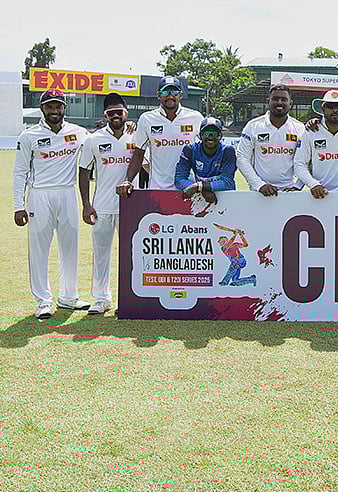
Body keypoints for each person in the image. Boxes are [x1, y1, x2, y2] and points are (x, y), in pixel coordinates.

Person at [13, 89, 91, 318]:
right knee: (39, 249)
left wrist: (130, 127)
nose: (54, 111)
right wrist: (19, 206)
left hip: (67, 194)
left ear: (64, 108)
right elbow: (20, 173)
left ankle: (68, 297)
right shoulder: (28, 136)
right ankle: (43, 301)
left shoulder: (78, 132)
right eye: (50, 106)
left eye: (58, 106)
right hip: (40, 195)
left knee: (70, 248)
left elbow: (100, 140)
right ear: (42, 109)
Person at [77, 93, 135, 315]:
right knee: (101, 254)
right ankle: (102, 299)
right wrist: (86, 204)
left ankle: (129, 299)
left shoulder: (136, 136)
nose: (115, 116)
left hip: (130, 206)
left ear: (126, 113)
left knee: (130, 254)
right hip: (101, 205)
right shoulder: (93, 139)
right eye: (111, 113)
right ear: (105, 115)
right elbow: (84, 171)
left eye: (119, 112)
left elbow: (146, 165)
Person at [118, 76, 203, 198]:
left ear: (181, 95)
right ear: (159, 95)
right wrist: (128, 180)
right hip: (158, 189)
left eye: (174, 92)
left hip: (188, 188)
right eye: (165, 92)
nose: (170, 96)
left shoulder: (195, 117)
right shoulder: (147, 119)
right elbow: (139, 153)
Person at [236, 83, 305, 196]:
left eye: (284, 99)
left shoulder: (299, 128)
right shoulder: (253, 126)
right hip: (259, 194)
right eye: (275, 99)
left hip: (289, 193)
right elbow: (242, 158)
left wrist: (297, 186)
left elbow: (307, 162)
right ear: (268, 101)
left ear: (290, 103)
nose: (279, 103)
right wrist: (259, 185)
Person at [175, 117, 237, 204]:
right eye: (206, 132)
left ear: (220, 136)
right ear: (200, 135)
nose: (210, 136)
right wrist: (202, 189)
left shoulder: (227, 151)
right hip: (201, 200)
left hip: (225, 198)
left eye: (215, 133)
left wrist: (199, 186)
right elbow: (179, 180)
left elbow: (228, 183)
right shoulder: (189, 150)